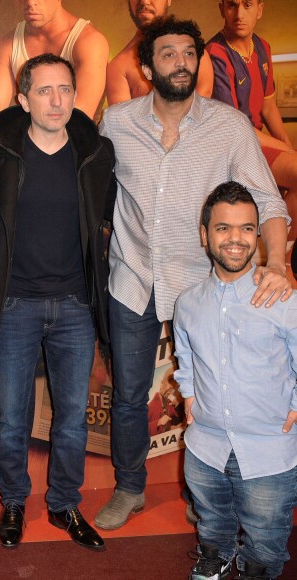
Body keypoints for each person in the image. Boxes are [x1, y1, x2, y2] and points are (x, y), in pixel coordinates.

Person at [94, 17, 290, 532]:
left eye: (188, 53)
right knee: (130, 395)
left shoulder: (230, 126)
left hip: (203, 287)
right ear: (146, 65)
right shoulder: (116, 123)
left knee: (211, 393)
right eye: (167, 54)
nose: (180, 62)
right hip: (132, 279)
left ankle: (208, 492)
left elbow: (268, 199)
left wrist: (278, 262)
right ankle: (130, 487)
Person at [0, 53, 116, 550]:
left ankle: (64, 505)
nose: (57, 101)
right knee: (12, 417)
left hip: (76, 306)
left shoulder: (96, 155)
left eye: (65, 89)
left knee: (72, 418)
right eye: (44, 90)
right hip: (15, 305)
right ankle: (13, 501)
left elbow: (108, 221)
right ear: (23, 99)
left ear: (77, 95)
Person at [174, 182, 297, 580]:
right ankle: (216, 552)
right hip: (205, 446)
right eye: (223, 228)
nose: (236, 239)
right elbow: (185, 354)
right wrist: (189, 394)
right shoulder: (188, 302)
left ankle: (257, 569)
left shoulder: (282, 298)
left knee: (265, 538)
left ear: (258, 234)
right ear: (204, 234)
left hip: (268, 448)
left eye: (247, 228)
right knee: (211, 519)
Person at [204, 0, 297, 273]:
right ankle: (276, 256)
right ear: (222, 9)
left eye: (247, 5)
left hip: (258, 140)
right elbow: (235, 126)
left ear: (260, 8)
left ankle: (281, 251)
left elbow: (268, 106)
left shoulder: (263, 47)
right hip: (233, 144)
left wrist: (288, 146)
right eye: (232, 5)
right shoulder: (215, 53)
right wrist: (285, 150)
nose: (239, 14)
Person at [0, 0, 109, 127]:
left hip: (76, 141)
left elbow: (80, 114)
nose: (30, 2)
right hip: (23, 139)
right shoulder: (6, 44)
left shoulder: (89, 41)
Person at [105, 0, 213, 106]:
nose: (144, 2)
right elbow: (123, 122)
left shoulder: (194, 50)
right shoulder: (119, 67)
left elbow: (201, 108)